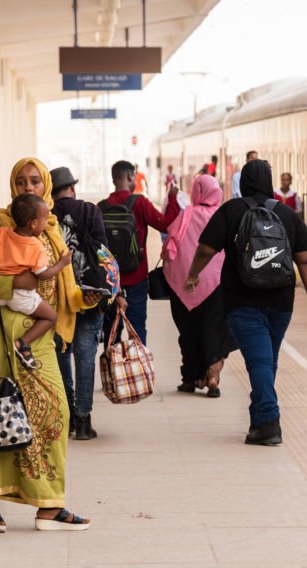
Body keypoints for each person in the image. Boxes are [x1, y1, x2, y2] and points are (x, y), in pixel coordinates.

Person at [0, 157, 100, 532]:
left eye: (35, 181)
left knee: (54, 414)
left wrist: (82, 298)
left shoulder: (49, 228)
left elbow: (58, 281)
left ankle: (48, 506)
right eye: (21, 182)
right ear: (13, 187)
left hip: (38, 339)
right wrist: (16, 285)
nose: (28, 187)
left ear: (45, 185)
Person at [185, 159, 307, 446]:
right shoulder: (287, 214)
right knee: (266, 362)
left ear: (244, 182)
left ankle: (270, 423)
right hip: (281, 302)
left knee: (260, 362)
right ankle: (259, 420)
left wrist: (193, 275)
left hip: (242, 301)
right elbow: (305, 261)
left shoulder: (231, 211)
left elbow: (206, 249)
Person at [50, 166, 127, 440]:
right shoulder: (90, 210)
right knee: (85, 357)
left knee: (61, 354)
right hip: (90, 295)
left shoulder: (46, 216)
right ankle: (83, 421)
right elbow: (104, 252)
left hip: (59, 298)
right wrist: (116, 291)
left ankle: (68, 413)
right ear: (72, 187)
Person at [0, 194, 72, 370]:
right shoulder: (35, 246)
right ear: (33, 224)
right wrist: (61, 264)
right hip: (20, 297)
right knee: (51, 317)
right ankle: (21, 344)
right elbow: (43, 274)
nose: (45, 223)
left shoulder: (3, 233)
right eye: (44, 220)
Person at [162, 174, 235, 397]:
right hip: (218, 286)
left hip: (184, 285)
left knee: (188, 331)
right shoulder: (223, 217)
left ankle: (190, 378)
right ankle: (212, 376)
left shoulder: (186, 216)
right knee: (214, 331)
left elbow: (168, 247)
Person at [101, 160, 181, 346]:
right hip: (136, 278)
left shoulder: (102, 207)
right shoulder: (140, 203)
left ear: (113, 179)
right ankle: (138, 373)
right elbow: (166, 224)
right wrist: (173, 199)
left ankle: (112, 373)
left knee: (111, 333)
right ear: (131, 177)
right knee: (137, 331)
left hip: (110, 281)